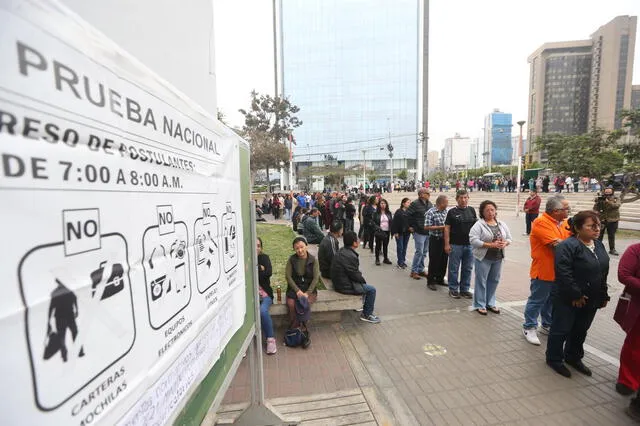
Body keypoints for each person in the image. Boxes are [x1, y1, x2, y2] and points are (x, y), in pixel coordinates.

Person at [546, 211, 610, 378]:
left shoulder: (598, 245)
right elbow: (563, 273)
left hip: (591, 298)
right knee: (561, 329)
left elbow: (603, 272)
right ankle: (554, 359)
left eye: (598, 226)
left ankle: (573, 357)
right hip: (568, 298)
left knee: (581, 330)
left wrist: (603, 295)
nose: (596, 230)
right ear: (577, 228)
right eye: (591, 226)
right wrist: (575, 295)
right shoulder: (567, 246)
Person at [522, 195, 571, 345]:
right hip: (544, 270)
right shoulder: (541, 222)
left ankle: (547, 323)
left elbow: (568, 240)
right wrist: (573, 244)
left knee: (551, 300)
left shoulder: (563, 222)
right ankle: (529, 326)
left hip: (559, 270)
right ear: (556, 211)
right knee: (537, 300)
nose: (569, 211)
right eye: (566, 208)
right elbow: (557, 245)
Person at [469, 201, 512, 314]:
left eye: (492, 209)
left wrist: (505, 243)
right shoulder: (479, 225)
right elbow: (473, 240)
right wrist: (490, 245)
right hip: (483, 258)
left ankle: (490, 303)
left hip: (498, 257)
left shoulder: (501, 224)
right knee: (481, 281)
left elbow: (509, 238)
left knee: (494, 280)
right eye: (487, 210)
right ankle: (480, 304)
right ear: (482, 212)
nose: (490, 212)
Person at [331, 231, 381, 324]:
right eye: (357, 239)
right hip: (343, 286)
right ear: (354, 243)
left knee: (362, 283)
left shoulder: (343, 250)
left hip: (339, 281)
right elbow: (355, 275)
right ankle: (367, 314)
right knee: (371, 290)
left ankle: (362, 305)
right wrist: (363, 281)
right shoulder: (350, 256)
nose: (358, 240)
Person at [616, 243, 640, 403]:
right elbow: (623, 275)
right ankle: (627, 380)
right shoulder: (635, 250)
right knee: (634, 346)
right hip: (638, 306)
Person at [444, 190, 476, 299]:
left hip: (469, 245)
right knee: (454, 268)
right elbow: (447, 228)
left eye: (465, 197)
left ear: (468, 198)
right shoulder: (452, 212)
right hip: (455, 245)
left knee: (468, 268)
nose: (463, 200)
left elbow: (476, 228)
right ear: (457, 199)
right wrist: (447, 244)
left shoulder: (471, 210)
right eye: (461, 198)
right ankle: (453, 289)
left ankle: (464, 289)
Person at [285, 237, 319, 329]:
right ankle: (295, 326)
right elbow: (288, 276)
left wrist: (307, 293)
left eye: (302, 247)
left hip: (309, 289)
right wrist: (297, 291)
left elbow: (316, 278)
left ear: (306, 246)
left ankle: (303, 325)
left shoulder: (313, 260)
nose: (300, 250)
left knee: (304, 303)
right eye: (297, 248)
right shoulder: (292, 260)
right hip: (295, 288)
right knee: (291, 304)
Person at [407, 188, 433, 280]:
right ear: (421, 194)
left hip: (428, 231)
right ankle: (414, 271)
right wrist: (410, 226)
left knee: (425, 252)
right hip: (418, 231)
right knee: (419, 251)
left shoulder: (429, 204)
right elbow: (407, 215)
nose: (429, 194)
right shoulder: (415, 204)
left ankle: (420, 269)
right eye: (427, 193)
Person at [257, 238, 277, 354]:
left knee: (263, 311)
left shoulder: (265, 258)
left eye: (259, 245)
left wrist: (256, 268)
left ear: (262, 248)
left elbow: (268, 272)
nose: (256, 248)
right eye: (254, 245)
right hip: (251, 296)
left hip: (265, 294)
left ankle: (270, 339)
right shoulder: (246, 258)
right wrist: (260, 268)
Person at [425, 195, 449, 291]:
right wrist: (442, 227)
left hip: (445, 239)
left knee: (444, 260)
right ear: (441, 203)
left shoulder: (446, 212)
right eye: (446, 202)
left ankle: (440, 279)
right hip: (435, 239)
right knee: (434, 260)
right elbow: (426, 227)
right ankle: (430, 281)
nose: (447, 204)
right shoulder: (431, 212)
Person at [593, 186, 621, 256]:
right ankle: (597, 249)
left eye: (609, 192)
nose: (607, 193)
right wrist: (598, 202)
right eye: (606, 192)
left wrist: (608, 202)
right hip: (602, 220)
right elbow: (595, 208)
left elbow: (617, 205)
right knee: (599, 235)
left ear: (612, 192)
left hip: (613, 220)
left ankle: (612, 249)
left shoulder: (616, 198)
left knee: (611, 235)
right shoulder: (601, 199)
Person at [391, 197, 411, 269]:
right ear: (403, 203)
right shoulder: (398, 211)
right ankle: (400, 262)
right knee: (400, 247)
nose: (409, 204)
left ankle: (403, 261)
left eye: (409, 202)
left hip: (407, 233)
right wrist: (395, 232)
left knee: (404, 248)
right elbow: (394, 223)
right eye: (408, 202)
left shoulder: (409, 212)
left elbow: (410, 222)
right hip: (399, 233)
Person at [373, 198, 393, 266]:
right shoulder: (376, 213)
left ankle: (385, 258)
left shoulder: (389, 213)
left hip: (387, 231)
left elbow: (391, 222)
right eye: (381, 203)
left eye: (384, 203)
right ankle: (377, 259)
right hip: (379, 231)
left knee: (385, 245)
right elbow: (373, 222)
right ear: (379, 205)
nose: (383, 205)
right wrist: (377, 228)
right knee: (378, 246)